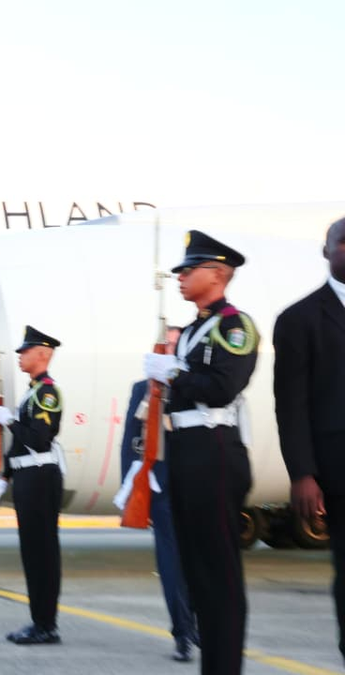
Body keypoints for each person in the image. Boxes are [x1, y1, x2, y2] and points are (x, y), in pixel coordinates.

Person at [143, 230, 257, 675]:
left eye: (189, 269)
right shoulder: (192, 331)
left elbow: (223, 386)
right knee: (196, 568)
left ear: (217, 273)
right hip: (188, 451)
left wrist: (174, 373)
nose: (181, 277)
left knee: (219, 570)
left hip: (215, 450)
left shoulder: (234, 325)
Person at [274, 216, 345, 665]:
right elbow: (291, 405)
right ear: (326, 251)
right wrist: (303, 473)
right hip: (337, 470)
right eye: (344, 243)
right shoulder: (299, 319)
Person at [115, 327, 198, 662]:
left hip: (196, 482)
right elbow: (129, 440)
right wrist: (131, 489)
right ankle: (182, 633)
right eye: (166, 343)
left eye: (176, 344)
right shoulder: (143, 390)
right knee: (170, 562)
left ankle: (199, 622)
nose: (170, 348)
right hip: (161, 486)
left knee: (198, 558)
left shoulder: (194, 384)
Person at [0, 325, 64, 645]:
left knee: (42, 552)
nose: (20, 355)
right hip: (27, 477)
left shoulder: (47, 392)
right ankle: (39, 620)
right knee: (32, 552)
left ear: (43, 355)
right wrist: (4, 476)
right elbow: (20, 445)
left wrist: (9, 421)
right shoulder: (32, 392)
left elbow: (38, 438)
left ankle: (46, 624)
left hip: (40, 477)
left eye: (26, 351)